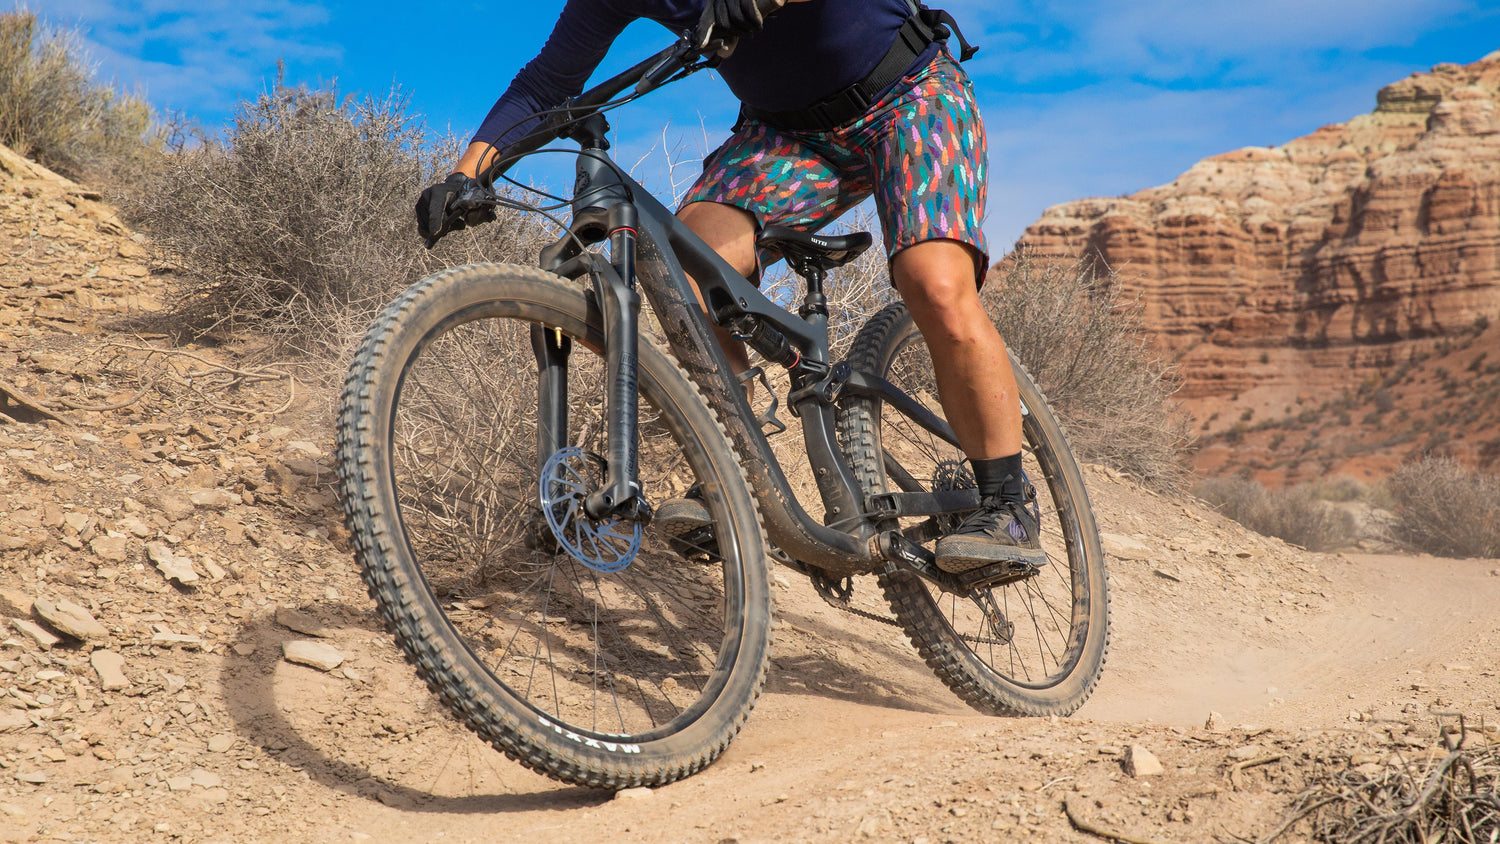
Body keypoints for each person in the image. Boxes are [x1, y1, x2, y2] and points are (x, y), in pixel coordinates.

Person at [415, 0, 1044, 573]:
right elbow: (548, 83)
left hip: (911, 95)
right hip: (787, 137)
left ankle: (1008, 504)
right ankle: (742, 464)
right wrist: (469, 173)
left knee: (931, 282)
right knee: (684, 270)